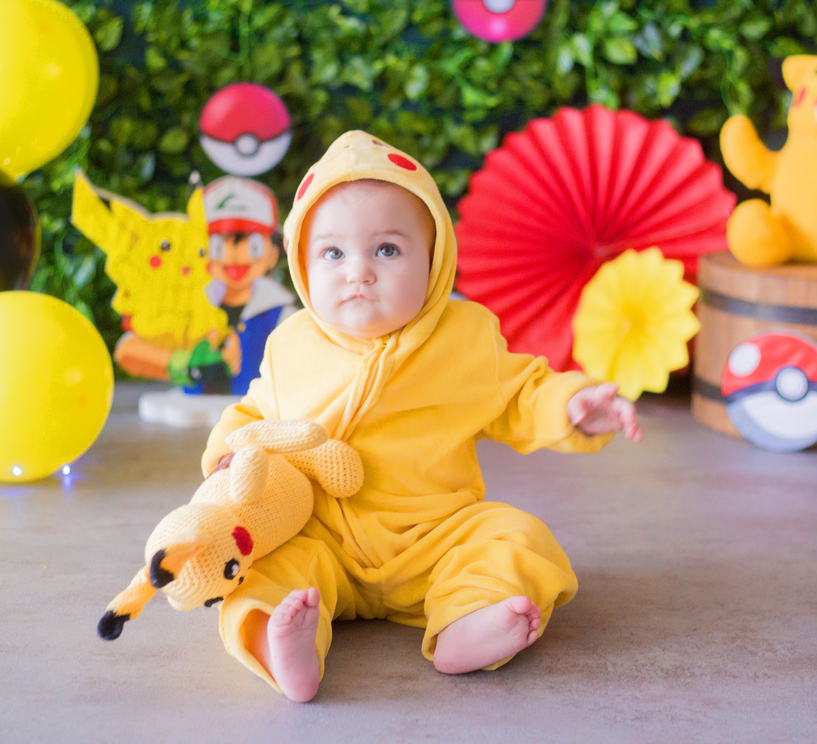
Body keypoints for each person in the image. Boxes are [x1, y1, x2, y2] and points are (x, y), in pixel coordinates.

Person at [199, 131, 642, 702]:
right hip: (322, 538)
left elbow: (521, 394)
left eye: (386, 250)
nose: (358, 272)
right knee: (255, 572)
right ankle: (283, 646)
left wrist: (572, 405)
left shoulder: (464, 337)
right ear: (302, 267)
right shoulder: (291, 345)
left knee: (518, 537)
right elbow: (254, 411)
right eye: (333, 253)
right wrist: (228, 456)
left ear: (434, 261)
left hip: (437, 536)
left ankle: (466, 619)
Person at [202, 175, 297, 395]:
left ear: (273, 253)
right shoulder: (194, 307)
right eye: (218, 245)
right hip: (196, 411)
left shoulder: (283, 314)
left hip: (260, 415)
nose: (233, 256)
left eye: (252, 245)